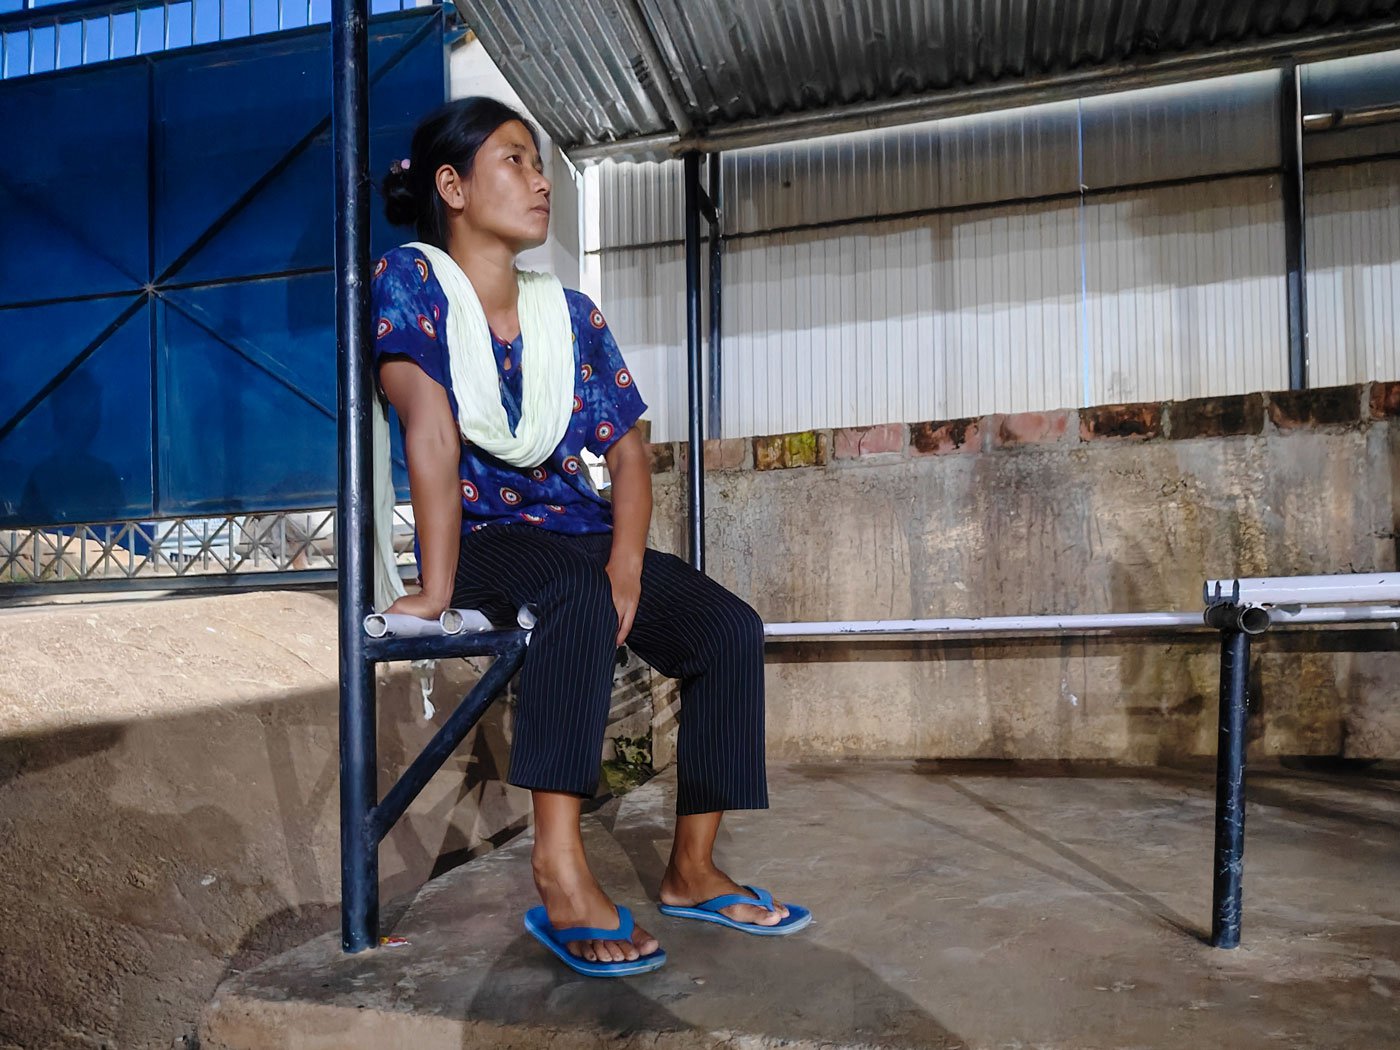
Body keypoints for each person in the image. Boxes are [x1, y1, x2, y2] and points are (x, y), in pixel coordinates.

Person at [371, 97, 809, 977]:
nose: (541, 182)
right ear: (451, 187)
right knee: (568, 599)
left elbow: (630, 451)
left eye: (541, 166)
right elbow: (429, 428)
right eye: (516, 161)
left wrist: (626, 570)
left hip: (582, 538)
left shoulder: (569, 313)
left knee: (728, 629)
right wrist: (435, 584)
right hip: (484, 536)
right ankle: (559, 865)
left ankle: (690, 870)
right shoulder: (409, 282)